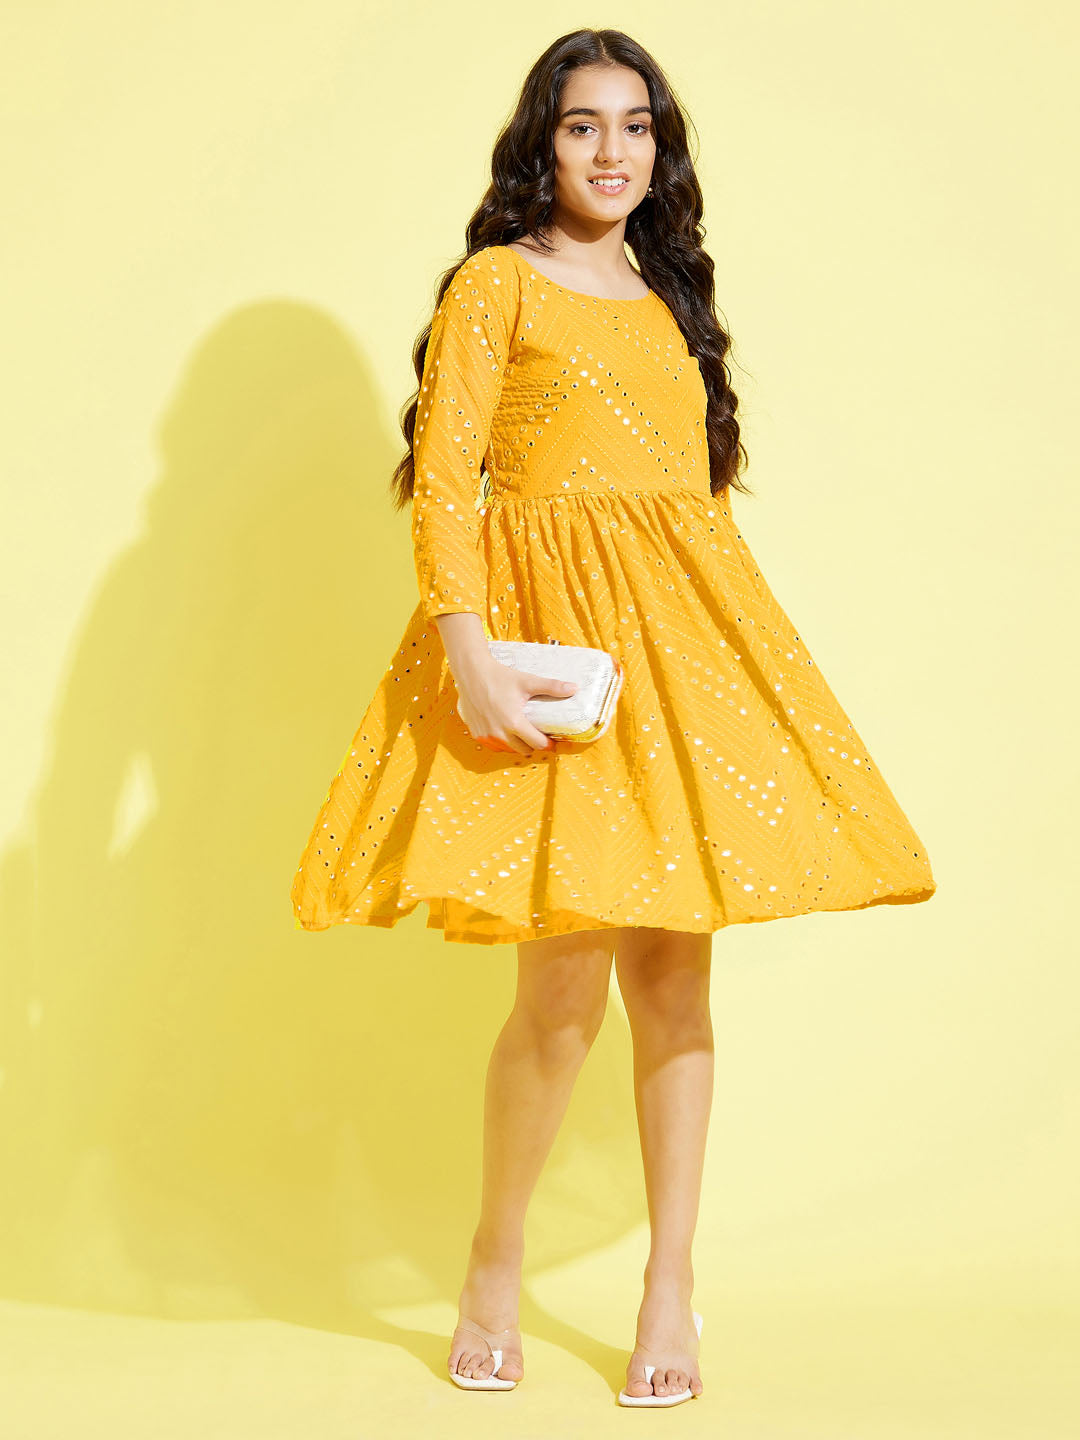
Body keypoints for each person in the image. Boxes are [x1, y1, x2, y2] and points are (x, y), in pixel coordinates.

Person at [289, 27, 937, 1405]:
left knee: (676, 983)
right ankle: (493, 1263)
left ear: (661, 147)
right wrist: (467, 647)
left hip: (680, 654)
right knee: (561, 989)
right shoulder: (496, 283)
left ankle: (669, 1289)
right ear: (544, 140)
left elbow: (687, 505)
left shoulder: (667, 294)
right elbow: (449, 477)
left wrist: (724, 665)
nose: (612, 151)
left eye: (636, 126)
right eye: (584, 125)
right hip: (551, 655)